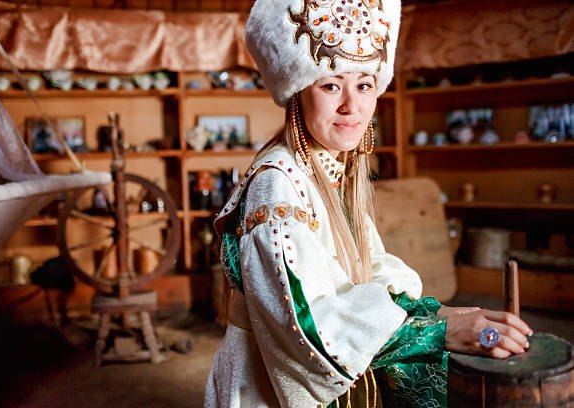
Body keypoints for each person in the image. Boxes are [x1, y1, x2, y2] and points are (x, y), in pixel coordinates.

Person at [204, 1, 533, 407]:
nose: (352, 106)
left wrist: (437, 314)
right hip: (266, 389)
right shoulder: (277, 185)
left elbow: (370, 270)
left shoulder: (329, 169)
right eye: (331, 86)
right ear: (297, 94)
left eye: (364, 85)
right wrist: (437, 333)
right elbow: (305, 327)